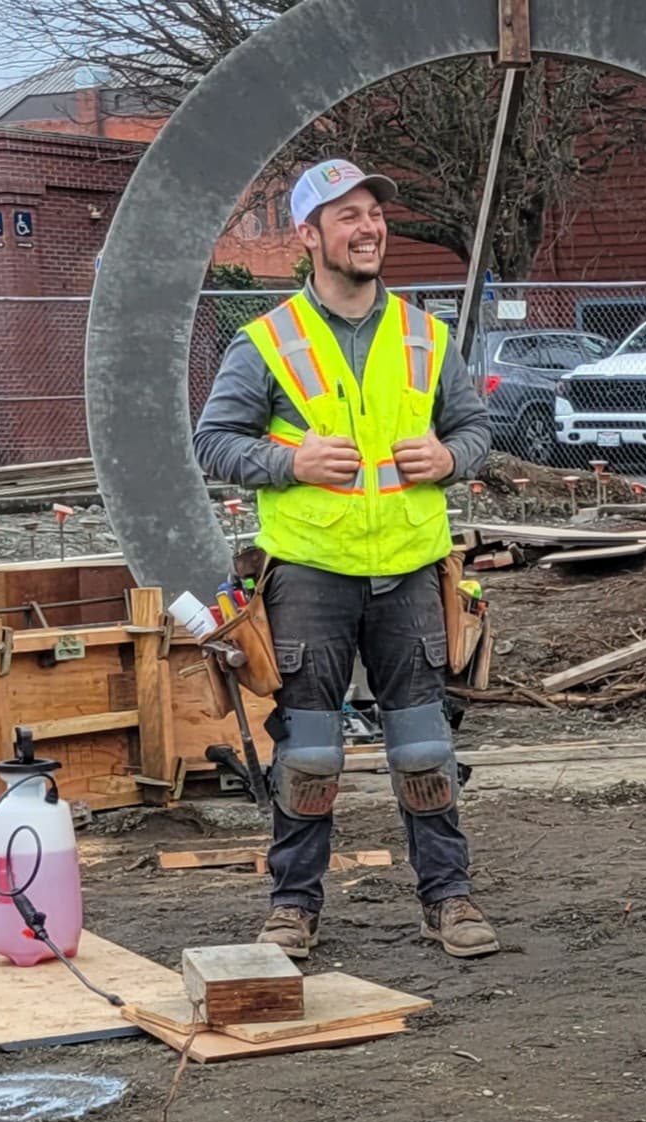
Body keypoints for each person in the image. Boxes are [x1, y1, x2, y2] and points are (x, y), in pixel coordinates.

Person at [194, 158, 499, 962]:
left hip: (409, 568)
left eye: (374, 214)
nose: (369, 229)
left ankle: (449, 898)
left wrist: (450, 456)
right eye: (347, 217)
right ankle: (293, 906)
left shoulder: (424, 336)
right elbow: (213, 441)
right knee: (310, 750)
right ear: (309, 236)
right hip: (308, 572)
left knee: (425, 742)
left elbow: (475, 431)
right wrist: (287, 464)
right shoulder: (265, 343)